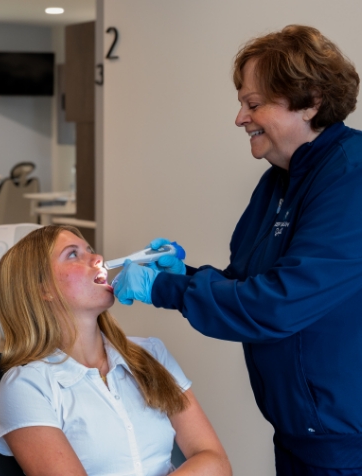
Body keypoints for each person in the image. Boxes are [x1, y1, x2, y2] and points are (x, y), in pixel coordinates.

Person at [112, 25, 362, 475]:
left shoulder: (351, 177)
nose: (240, 118)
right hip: (298, 431)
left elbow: (279, 304)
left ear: (310, 102)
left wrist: (166, 289)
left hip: (346, 441)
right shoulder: (277, 181)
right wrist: (182, 274)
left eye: (254, 104)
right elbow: (249, 284)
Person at [0, 225, 232, 476]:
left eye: (91, 250)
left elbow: (216, 463)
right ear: (42, 289)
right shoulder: (27, 387)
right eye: (73, 254)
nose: (97, 259)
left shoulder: (151, 354)